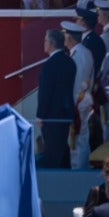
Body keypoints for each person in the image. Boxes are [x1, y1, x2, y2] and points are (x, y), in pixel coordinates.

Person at [36, 28, 77, 168]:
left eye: (46, 41)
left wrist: (40, 115)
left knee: (53, 151)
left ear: (52, 43)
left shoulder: (49, 65)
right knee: (62, 148)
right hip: (65, 114)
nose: (44, 44)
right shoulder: (70, 62)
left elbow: (45, 93)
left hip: (51, 116)